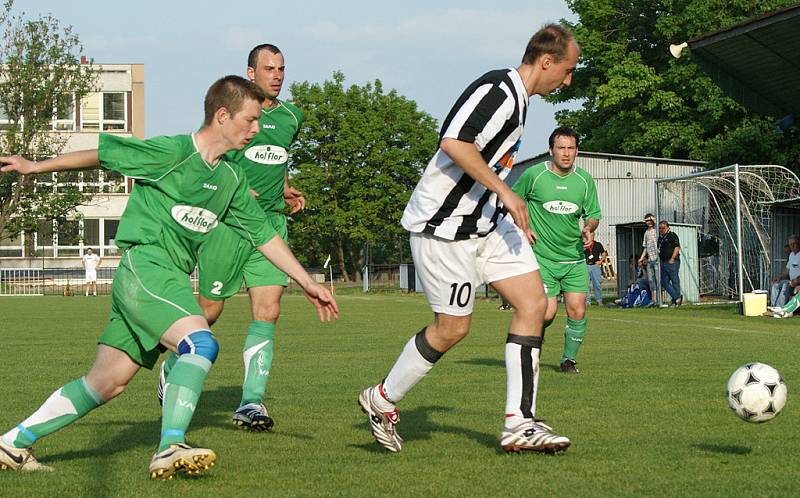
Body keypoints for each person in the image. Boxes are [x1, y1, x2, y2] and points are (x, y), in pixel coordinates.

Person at [0, 75, 338, 479]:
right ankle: (170, 445)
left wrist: (307, 281)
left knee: (106, 383)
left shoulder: (230, 179)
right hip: (146, 267)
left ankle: (12, 443)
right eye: (249, 120)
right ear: (222, 115)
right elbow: (103, 153)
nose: (255, 128)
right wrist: (35, 167)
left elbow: (264, 235)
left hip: (167, 277)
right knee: (200, 342)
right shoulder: (172, 152)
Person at [358, 23, 579, 454]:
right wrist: (506, 192)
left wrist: (504, 206)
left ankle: (520, 422)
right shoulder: (497, 88)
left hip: (486, 224)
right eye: (568, 70)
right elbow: (454, 141)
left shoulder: (521, 103)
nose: (568, 80)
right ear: (547, 61)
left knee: (535, 303)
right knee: (453, 328)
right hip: (444, 228)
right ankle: (381, 399)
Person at [157, 44, 305, 432]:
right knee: (208, 313)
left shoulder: (292, 117)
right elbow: (213, 152)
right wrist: (232, 193)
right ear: (250, 72)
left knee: (268, 311)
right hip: (229, 226)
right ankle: (172, 365)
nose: (277, 75)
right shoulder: (235, 113)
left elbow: (279, 157)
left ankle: (251, 403)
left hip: (271, 225)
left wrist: (286, 188)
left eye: (282, 69)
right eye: (269, 68)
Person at [512, 126, 601, 374]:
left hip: (573, 259)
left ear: (577, 151)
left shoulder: (584, 180)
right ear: (550, 150)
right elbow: (511, 201)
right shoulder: (534, 175)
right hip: (543, 258)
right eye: (561, 148)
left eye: (570, 148)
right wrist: (523, 227)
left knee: (577, 309)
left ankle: (568, 361)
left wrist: (589, 228)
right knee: (547, 313)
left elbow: (593, 213)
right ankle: (530, 348)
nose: (566, 153)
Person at [769, 235, 800, 307]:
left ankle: (779, 307)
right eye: (790, 244)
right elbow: (787, 270)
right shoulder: (792, 255)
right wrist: (779, 277)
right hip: (791, 281)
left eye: (794, 244)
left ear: (798, 243)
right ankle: (773, 306)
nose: (792, 246)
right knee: (776, 284)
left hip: (797, 282)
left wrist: (796, 281)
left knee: (785, 285)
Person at [658, 220, 682, 306]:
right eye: (660, 228)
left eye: (663, 228)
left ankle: (676, 300)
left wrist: (672, 258)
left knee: (675, 280)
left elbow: (677, 247)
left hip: (672, 262)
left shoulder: (672, 235)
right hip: (663, 262)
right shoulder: (660, 238)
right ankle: (676, 297)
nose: (661, 230)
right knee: (664, 282)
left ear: (668, 227)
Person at [637, 213, 659, 304]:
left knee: (658, 279)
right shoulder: (646, 233)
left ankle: (660, 299)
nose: (648, 222)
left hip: (657, 259)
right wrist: (641, 258)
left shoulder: (656, 231)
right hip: (650, 260)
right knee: (651, 280)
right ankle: (654, 300)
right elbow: (645, 247)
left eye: (650, 220)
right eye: (647, 221)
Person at [585, 238, 606, 306]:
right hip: (586, 265)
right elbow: (578, 253)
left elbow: (603, 253)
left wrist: (600, 261)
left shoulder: (598, 244)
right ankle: (587, 301)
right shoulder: (584, 244)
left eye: (592, 235)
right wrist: (585, 248)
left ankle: (599, 300)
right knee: (586, 284)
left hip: (595, 265)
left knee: (597, 284)